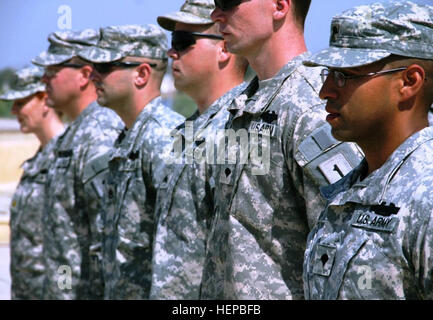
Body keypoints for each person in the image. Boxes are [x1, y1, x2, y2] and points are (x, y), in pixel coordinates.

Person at [201, 0, 363, 299]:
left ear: (279, 5)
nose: (215, 14)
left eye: (228, 2)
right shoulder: (242, 105)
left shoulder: (313, 109)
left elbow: (343, 248)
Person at [302, 0, 433, 299]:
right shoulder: (348, 190)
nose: (326, 92)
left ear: (409, 82)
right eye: (329, 74)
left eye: (345, 75)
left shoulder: (426, 195)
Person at [150, 0, 249, 299]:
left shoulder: (242, 128)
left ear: (224, 48)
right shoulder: (187, 131)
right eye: (172, 42)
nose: (171, 53)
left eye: (183, 42)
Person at [78, 24, 185, 299]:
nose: (94, 76)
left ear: (141, 73)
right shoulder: (128, 138)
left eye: (105, 66)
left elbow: (180, 253)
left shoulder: (164, 138)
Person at [32, 29, 123, 299]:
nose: (44, 79)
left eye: (54, 69)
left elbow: (106, 236)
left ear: (84, 75)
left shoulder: (99, 133)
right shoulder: (76, 133)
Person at [1, 65, 64, 300]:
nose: (14, 110)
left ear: (45, 100)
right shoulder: (38, 160)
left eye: (21, 102)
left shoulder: (68, 157)